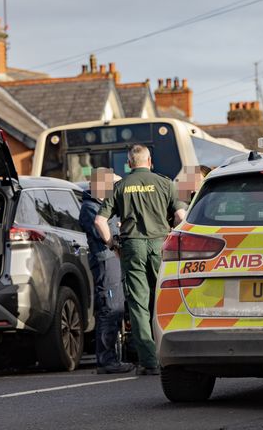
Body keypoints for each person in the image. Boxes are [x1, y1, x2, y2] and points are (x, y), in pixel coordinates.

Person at [98, 144, 187, 376]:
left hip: (132, 246)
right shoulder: (166, 183)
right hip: (161, 245)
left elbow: (100, 221)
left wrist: (112, 244)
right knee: (164, 298)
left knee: (139, 304)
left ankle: (150, 361)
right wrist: (171, 236)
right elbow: (181, 217)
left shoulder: (119, 187)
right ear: (150, 161)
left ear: (129, 163)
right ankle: (173, 353)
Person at [78, 167, 134, 374]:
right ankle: (107, 360)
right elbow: (105, 234)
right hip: (105, 262)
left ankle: (112, 358)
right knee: (110, 309)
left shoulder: (101, 205)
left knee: (116, 308)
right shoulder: (90, 208)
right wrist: (116, 234)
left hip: (111, 261)